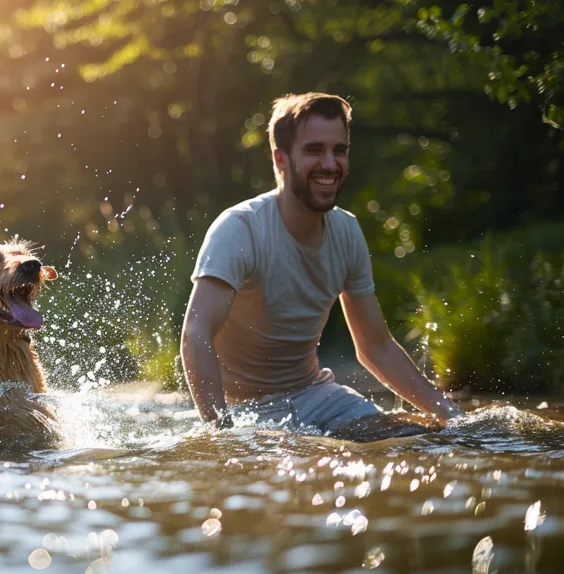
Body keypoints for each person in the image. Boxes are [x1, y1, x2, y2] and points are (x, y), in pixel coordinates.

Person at [180, 92, 463, 433]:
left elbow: (376, 346)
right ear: (280, 159)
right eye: (314, 150)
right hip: (247, 412)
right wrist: (220, 432)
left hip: (319, 395)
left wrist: (453, 418)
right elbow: (196, 333)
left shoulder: (347, 231)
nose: (330, 164)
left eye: (339, 150)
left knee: (421, 437)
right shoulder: (240, 229)